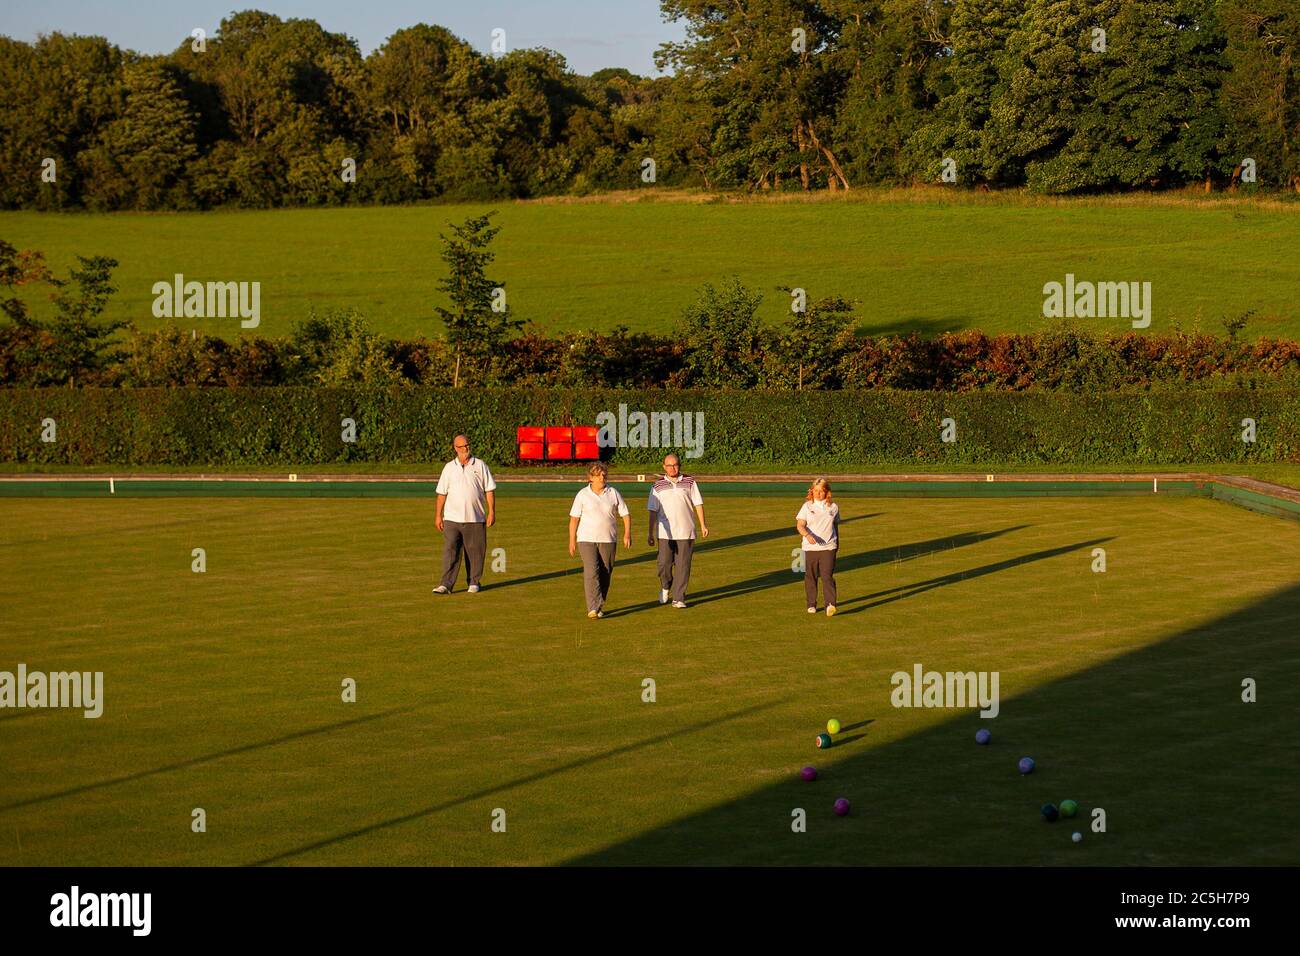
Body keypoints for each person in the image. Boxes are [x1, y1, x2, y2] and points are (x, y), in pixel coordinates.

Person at [433, 434, 496, 594]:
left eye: (467, 445)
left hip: (475, 517)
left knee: (475, 551)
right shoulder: (448, 468)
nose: (465, 449)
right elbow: (441, 493)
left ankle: (474, 582)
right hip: (452, 519)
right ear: (455, 448)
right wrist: (438, 515)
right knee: (450, 550)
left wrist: (491, 512)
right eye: (461, 447)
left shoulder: (480, 465)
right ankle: (446, 584)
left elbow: (489, 490)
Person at [568, 462, 631, 619]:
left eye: (604, 474)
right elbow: (574, 519)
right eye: (598, 475)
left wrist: (627, 534)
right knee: (591, 571)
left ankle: (599, 604)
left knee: (605, 572)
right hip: (586, 539)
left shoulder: (613, 493)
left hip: (608, 539)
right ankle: (592, 607)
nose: (602, 477)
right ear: (591, 478)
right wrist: (571, 540)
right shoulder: (582, 495)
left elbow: (625, 514)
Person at [647, 452, 708, 608]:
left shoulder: (690, 482)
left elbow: (698, 504)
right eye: (669, 465)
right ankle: (666, 586)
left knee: (683, 565)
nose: (672, 468)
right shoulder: (657, 486)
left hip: (686, 531)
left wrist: (703, 525)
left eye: (675, 465)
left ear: (679, 465)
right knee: (664, 564)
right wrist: (650, 533)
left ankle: (679, 598)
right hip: (664, 532)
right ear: (664, 467)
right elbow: (653, 510)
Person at [796, 477, 839, 616]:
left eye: (821, 491)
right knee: (811, 576)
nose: (818, 493)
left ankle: (830, 604)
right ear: (812, 491)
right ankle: (811, 604)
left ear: (827, 492)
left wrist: (837, 543)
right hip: (810, 548)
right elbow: (800, 525)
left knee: (827, 576)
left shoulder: (833, 507)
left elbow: (835, 526)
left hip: (828, 548)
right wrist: (808, 536)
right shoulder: (806, 506)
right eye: (816, 490)